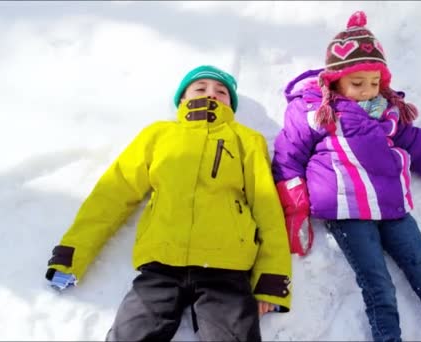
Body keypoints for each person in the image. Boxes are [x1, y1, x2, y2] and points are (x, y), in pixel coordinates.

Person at [271, 11, 421, 342]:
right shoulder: (314, 111)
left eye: (374, 82)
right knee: (377, 283)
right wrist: (296, 208)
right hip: (347, 211)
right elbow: (287, 157)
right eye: (357, 83)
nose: (367, 91)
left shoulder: (389, 111)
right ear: (335, 79)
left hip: (392, 207)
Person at [45, 65, 292, 342]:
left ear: (230, 105)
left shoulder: (246, 140)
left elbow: (266, 207)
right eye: (200, 88)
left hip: (226, 269)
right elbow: (113, 194)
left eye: (221, 92)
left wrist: (272, 279)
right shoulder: (158, 136)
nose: (211, 95)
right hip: (161, 265)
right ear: (182, 99)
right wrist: (71, 255)